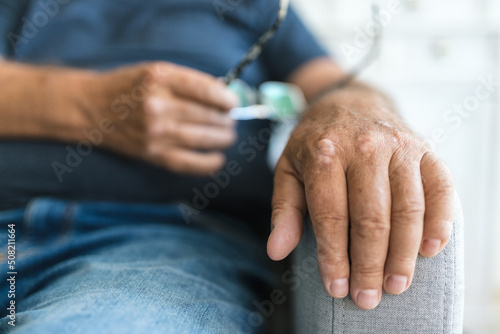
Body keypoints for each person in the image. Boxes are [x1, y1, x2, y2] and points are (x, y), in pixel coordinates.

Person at [0, 0, 457, 333]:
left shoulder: (257, 7)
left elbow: (332, 84)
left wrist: (352, 114)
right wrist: (89, 106)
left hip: (156, 247)